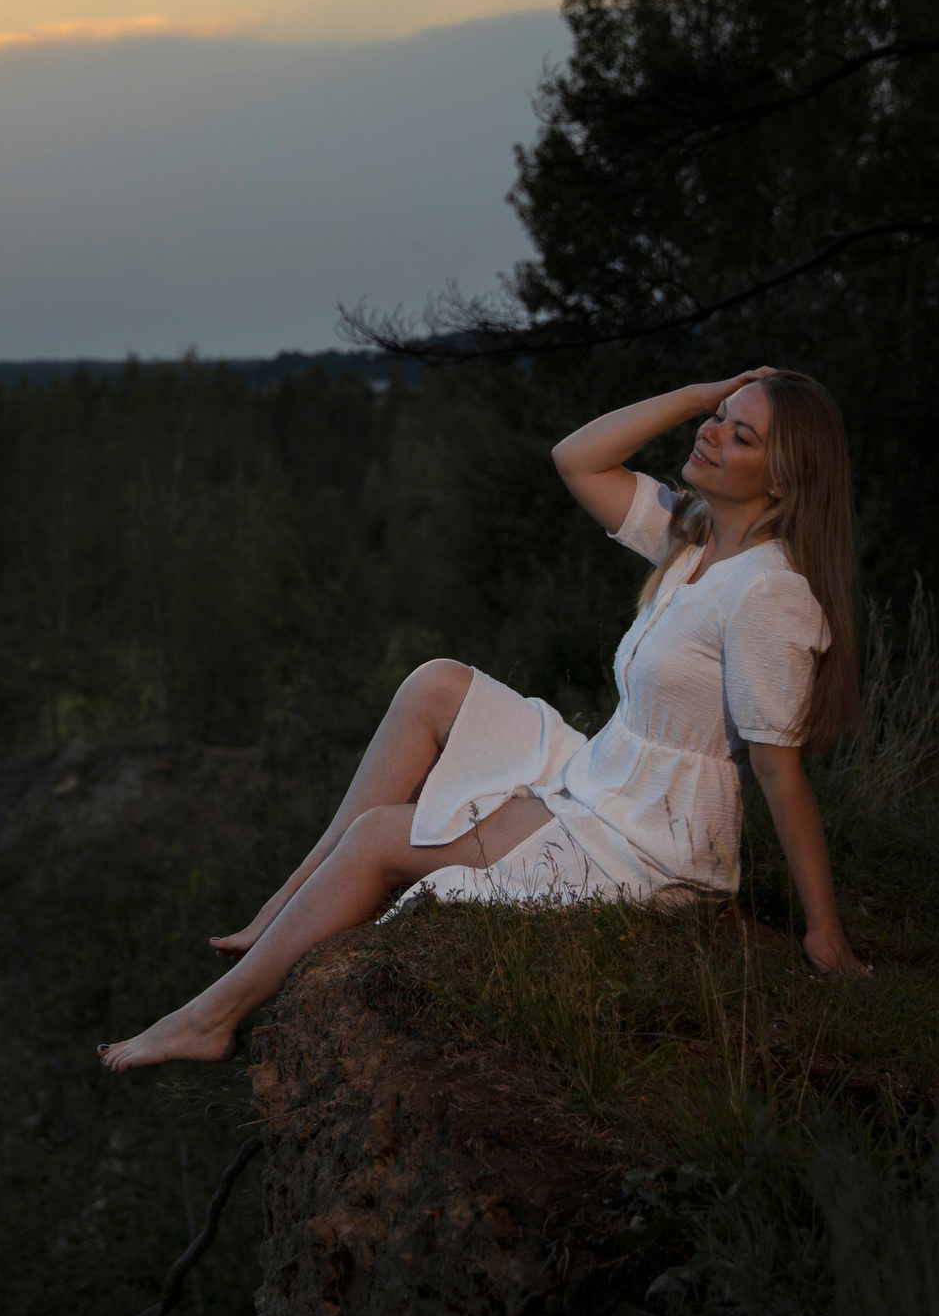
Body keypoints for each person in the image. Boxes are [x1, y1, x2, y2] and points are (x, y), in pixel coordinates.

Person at [99, 368, 869, 1072]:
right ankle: (290, 894)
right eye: (720, 419)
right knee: (436, 683)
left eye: (741, 434)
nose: (712, 434)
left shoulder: (768, 593)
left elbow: (778, 769)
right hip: (602, 776)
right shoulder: (694, 536)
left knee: (378, 841)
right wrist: (700, 394)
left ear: (781, 480)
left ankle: (212, 1015)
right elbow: (577, 458)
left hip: (650, 842)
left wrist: (822, 930)